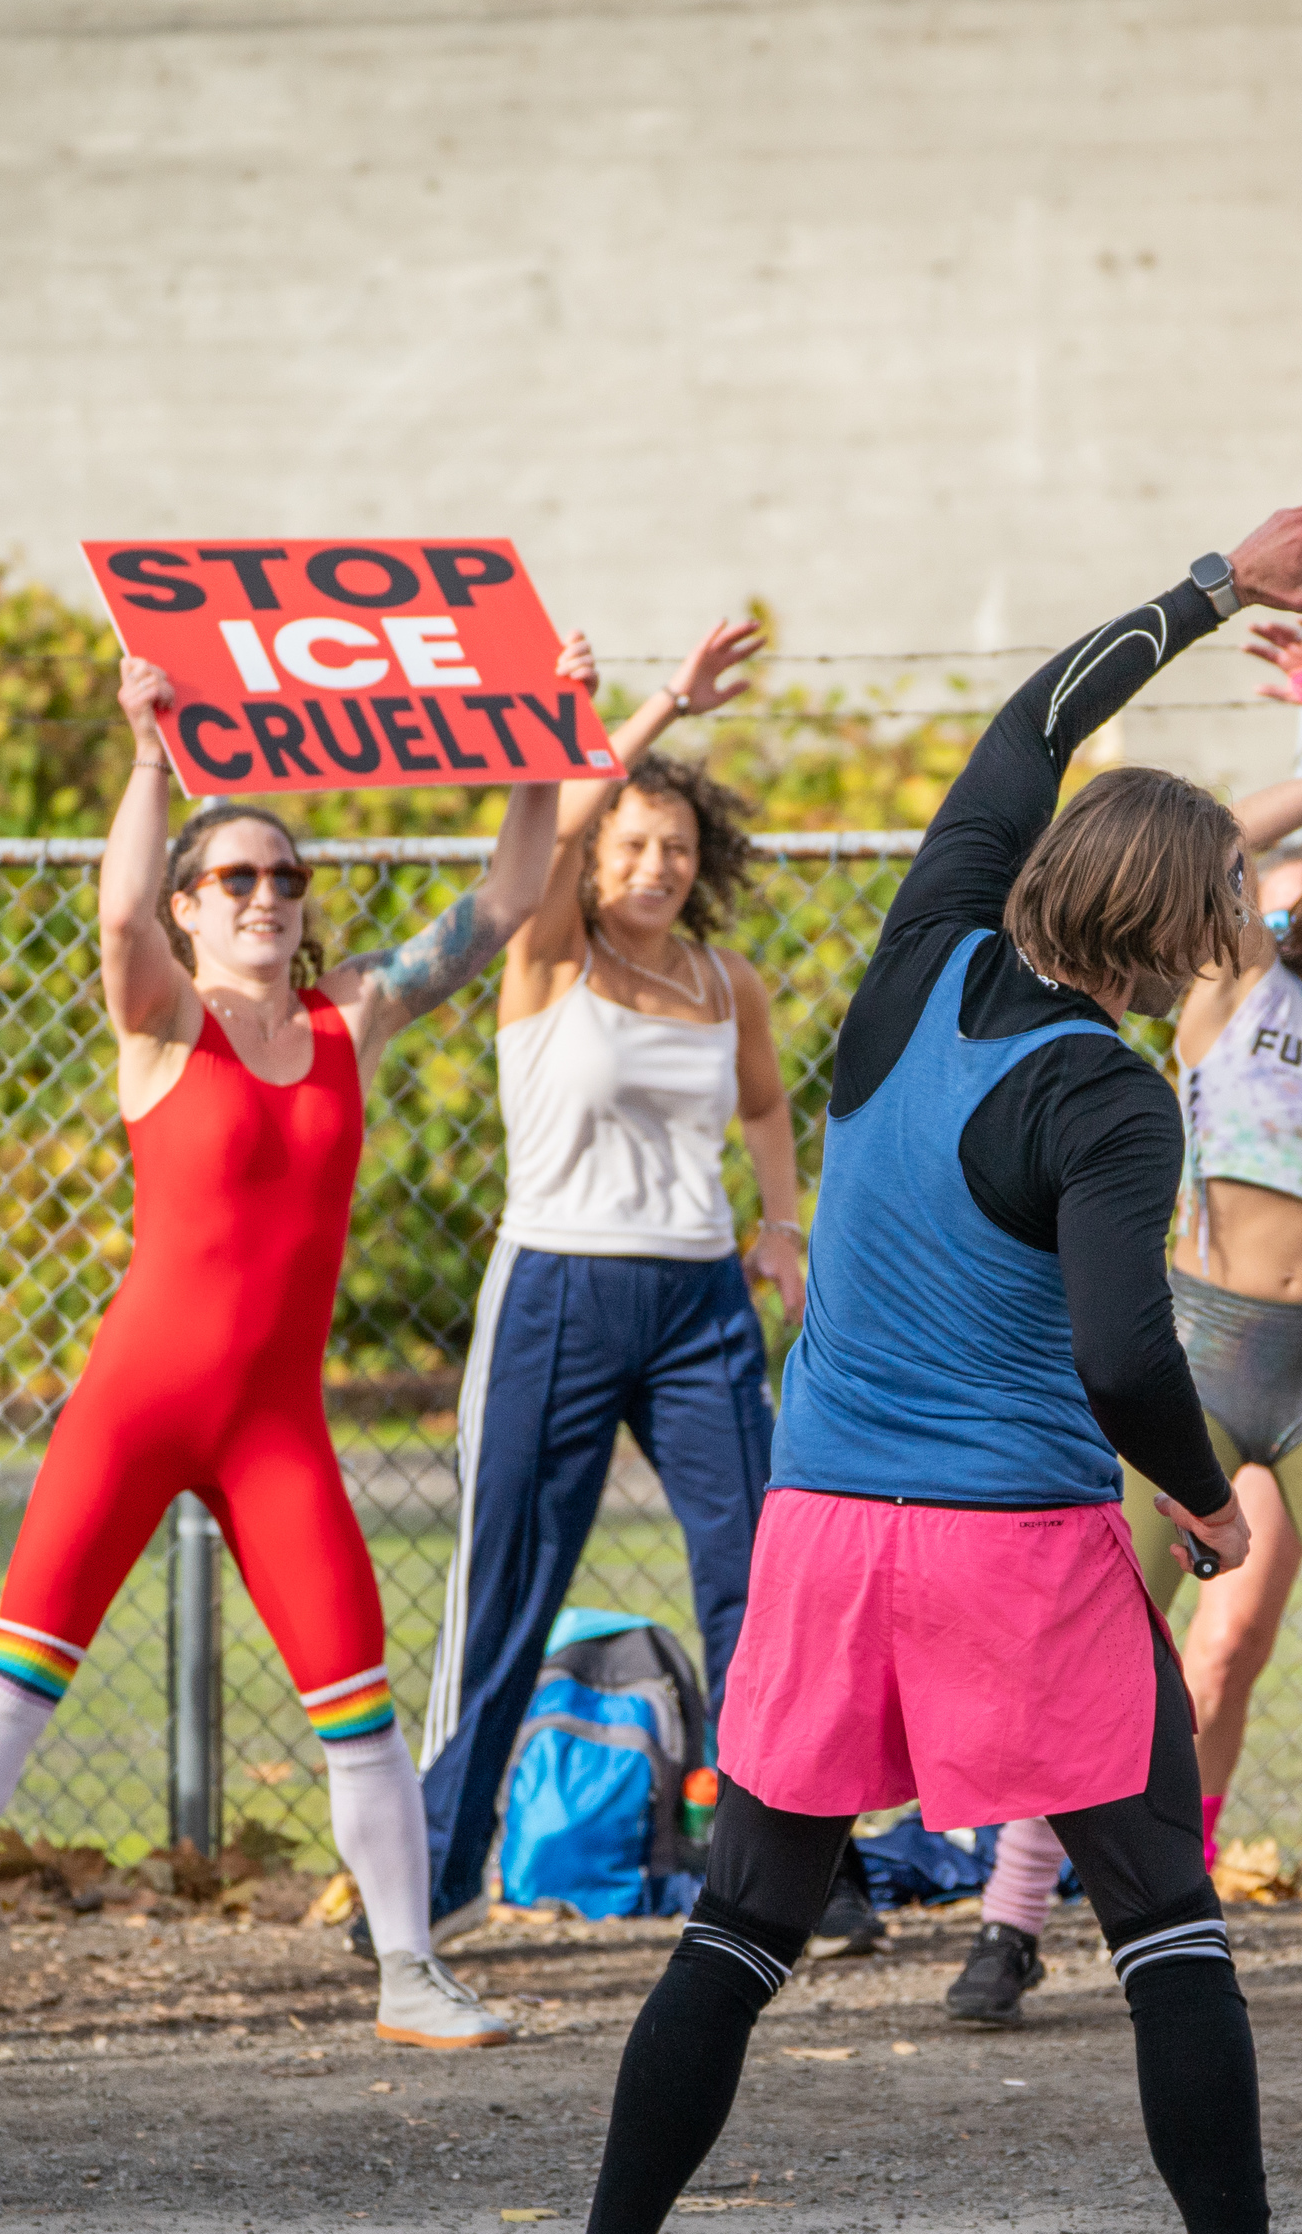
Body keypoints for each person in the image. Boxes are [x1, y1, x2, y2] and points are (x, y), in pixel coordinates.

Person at [525, 505, 1302, 2234]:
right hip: (1010, 1557)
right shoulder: (1106, 1095)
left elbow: (1027, 721)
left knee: (737, 1934)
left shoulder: (911, 964)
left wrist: (1205, 592)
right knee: (1166, 1930)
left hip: (826, 1544)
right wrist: (1203, 1493)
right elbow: (1115, 1351)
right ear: (1176, 936)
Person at [0, 651, 569, 2072]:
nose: (267, 898)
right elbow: (110, 919)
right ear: (189, 906)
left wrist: (538, 747)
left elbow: (505, 904)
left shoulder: (352, 1013)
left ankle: (409, 1968)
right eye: (234, 880)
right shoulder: (161, 1021)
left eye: (284, 879)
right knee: (16, 1683)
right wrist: (150, 750)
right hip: (136, 1412)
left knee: (358, 1705)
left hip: (275, 1428)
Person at [952, 726, 1302, 2027]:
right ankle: (1008, 1925)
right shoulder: (1234, 978)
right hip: (1194, 1359)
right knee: (1093, 1638)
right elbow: (1213, 846)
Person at [415, 617, 804, 1945]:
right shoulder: (547, 957)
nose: (653, 864)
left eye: (676, 848)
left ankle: (776, 1875)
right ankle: (438, 1874)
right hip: (560, 1292)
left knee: (757, 1575)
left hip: (698, 1305)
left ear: (704, 868)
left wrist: (783, 1226)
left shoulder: (722, 979)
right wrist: (658, 709)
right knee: (509, 1585)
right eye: (631, 843)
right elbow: (549, 841)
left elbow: (763, 1112)